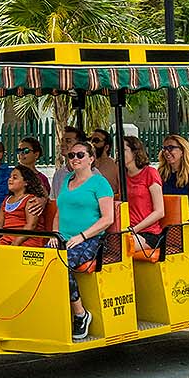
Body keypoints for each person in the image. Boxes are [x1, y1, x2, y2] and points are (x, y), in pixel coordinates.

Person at [53, 135, 115, 341]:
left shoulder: (99, 183)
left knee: (61, 263)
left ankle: (80, 314)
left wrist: (82, 236)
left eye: (80, 155)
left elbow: (107, 218)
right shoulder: (67, 181)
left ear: (91, 158)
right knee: (34, 260)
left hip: (91, 240)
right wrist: (54, 234)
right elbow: (58, 213)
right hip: (64, 238)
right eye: (71, 155)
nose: (75, 158)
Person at [122, 137, 166, 256]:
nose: (119, 153)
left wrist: (134, 229)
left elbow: (159, 211)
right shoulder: (122, 176)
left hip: (148, 233)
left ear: (135, 152)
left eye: (123, 149)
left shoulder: (150, 173)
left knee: (124, 244)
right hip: (126, 230)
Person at [0, 164, 50, 246]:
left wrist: (16, 243)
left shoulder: (31, 200)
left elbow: (31, 225)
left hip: (28, 241)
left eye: (14, 178)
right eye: (10, 177)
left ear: (26, 182)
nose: (10, 180)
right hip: (7, 240)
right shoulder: (6, 200)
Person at [157, 134, 189, 222]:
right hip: (161, 221)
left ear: (182, 151)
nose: (166, 152)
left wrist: (171, 216)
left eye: (171, 148)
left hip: (182, 223)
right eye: (164, 148)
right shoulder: (160, 174)